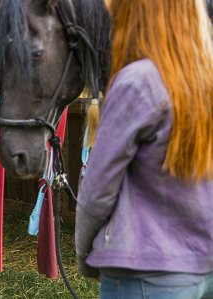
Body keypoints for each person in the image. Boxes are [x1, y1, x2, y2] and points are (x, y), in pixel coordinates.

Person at [75, 0, 213, 298]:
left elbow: (97, 189)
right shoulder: (206, 80)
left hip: (145, 273)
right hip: (204, 267)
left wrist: (85, 252)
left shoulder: (138, 82)